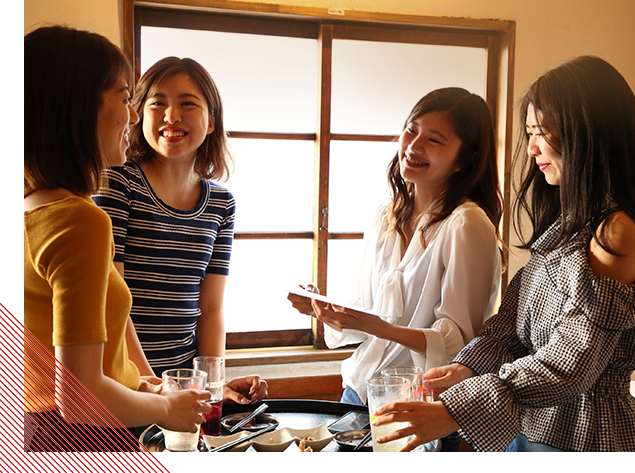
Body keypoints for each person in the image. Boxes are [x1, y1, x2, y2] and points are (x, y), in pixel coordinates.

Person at [372, 56, 635, 452]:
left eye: (541, 133)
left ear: (586, 135)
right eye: (528, 132)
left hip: (586, 437)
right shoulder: (569, 222)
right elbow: (510, 324)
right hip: (529, 427)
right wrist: (466, 367)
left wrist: (459, 409)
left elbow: (573, 361)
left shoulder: (617, 229)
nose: (530, 148)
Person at [24, 25, 213, 452]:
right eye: (125, 97)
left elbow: (91, 345)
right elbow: (79, 396)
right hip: (77, 435)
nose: (132, 114)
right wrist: (168, 410)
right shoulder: (79, 219)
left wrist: (146, 384)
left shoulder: (30, 205)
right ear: (78, 107)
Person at [288, 88, 503, 417]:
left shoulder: (467, 224)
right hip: (358, 391)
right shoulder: (385, 216)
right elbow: (364, 313)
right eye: (411, 130)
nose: (414, 147)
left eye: (434, 140)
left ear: (465, 159)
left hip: (418, 407)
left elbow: (459, 345)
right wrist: (325, 310)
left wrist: (377, 326)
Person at [93, 56, 267, 405]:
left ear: (212, 122)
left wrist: (212, 386)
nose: (172, 116)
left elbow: (212, 307)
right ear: (137, 114)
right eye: (157, 103)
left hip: (182, 383)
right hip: (121, 382)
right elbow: (111, 298)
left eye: (188, 104)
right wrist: (154, 387)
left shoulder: (221, 203)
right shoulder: (117, 182)